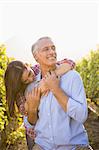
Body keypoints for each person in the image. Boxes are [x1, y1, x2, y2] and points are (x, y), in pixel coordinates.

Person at [24, 36, 91, 150]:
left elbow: (81, 116)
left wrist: (56, 89)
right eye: (46, 49)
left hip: (74, 147)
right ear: (36, 57)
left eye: (53, 48)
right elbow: (30, 124)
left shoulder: (73, 77)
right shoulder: (31, 86)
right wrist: (32, 109)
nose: (52, 52)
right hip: (42, 146)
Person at [4, 58, 75, 150]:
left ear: (27, 65)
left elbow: (69, 63)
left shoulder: (39, 69)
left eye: (29, 73)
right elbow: (28, 113)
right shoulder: (20, 93)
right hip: (35, 133)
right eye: (26, 81)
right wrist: (40, 90)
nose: (31, 79)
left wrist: (47, 81)